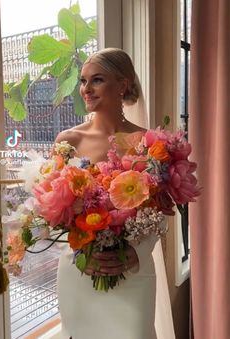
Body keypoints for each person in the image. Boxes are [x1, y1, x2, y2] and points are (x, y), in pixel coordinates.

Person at [55, 48, 175, 339]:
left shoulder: (150, 143)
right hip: (80, 269)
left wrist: (135, 254)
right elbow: (55, 212)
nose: (86, 89)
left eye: (97, 80)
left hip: (132, 272)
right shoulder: (68, 141)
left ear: (122, 84)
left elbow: (162, 213)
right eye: (83, 81)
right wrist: (83, 253)